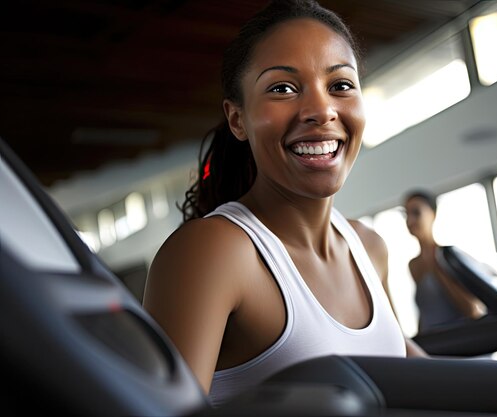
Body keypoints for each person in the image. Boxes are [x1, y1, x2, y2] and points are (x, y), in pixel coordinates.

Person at [142, 0, 427, 407]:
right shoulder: (213, 252)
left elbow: (411, 371)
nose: (321, 110)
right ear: (237, 119)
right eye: (282, 89)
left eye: (340, 85)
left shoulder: (370, 247)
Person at [404, 190, 484, 333]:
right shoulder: (414, 265)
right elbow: (425, 313)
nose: (410, 221)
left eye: (416, 213)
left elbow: (472, 310)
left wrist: (437, 267)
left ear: (433, 214)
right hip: (435, 343)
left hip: (461, 340)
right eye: (407, 214)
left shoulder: (449, 256)